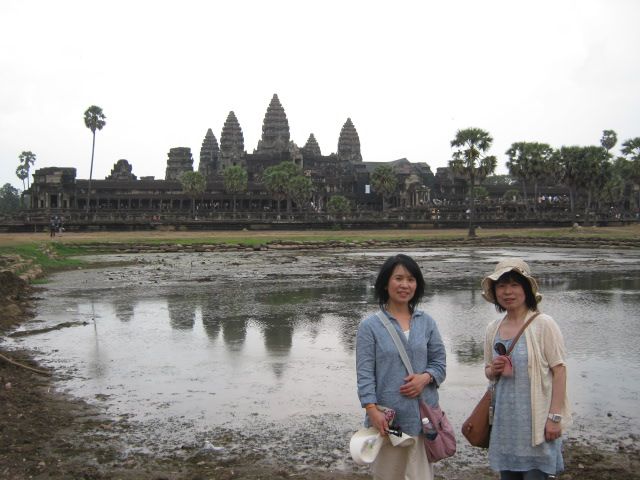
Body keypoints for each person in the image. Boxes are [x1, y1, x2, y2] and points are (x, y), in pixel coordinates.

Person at [356, 254, 446, 480]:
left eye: (411, 279)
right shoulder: (370, 326)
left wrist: (425, 378)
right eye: (398, 278)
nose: (405, 285)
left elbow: (439, 364)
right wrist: (372, 410)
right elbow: (365, 375)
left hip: (423, 419)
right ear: (386, 284)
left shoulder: (426, 322)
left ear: (417, 285)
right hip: (388, 422)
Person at [481, 258, 570, 480]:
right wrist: (494, 370)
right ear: (495, 291)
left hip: (536, 425)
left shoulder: (544, 324)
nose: (507, 292)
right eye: (502, 286)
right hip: (505, 425)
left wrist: (554, 418)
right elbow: (488, 371)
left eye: (514, 285)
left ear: (526, 289)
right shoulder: (493, 328)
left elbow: (559, 371)